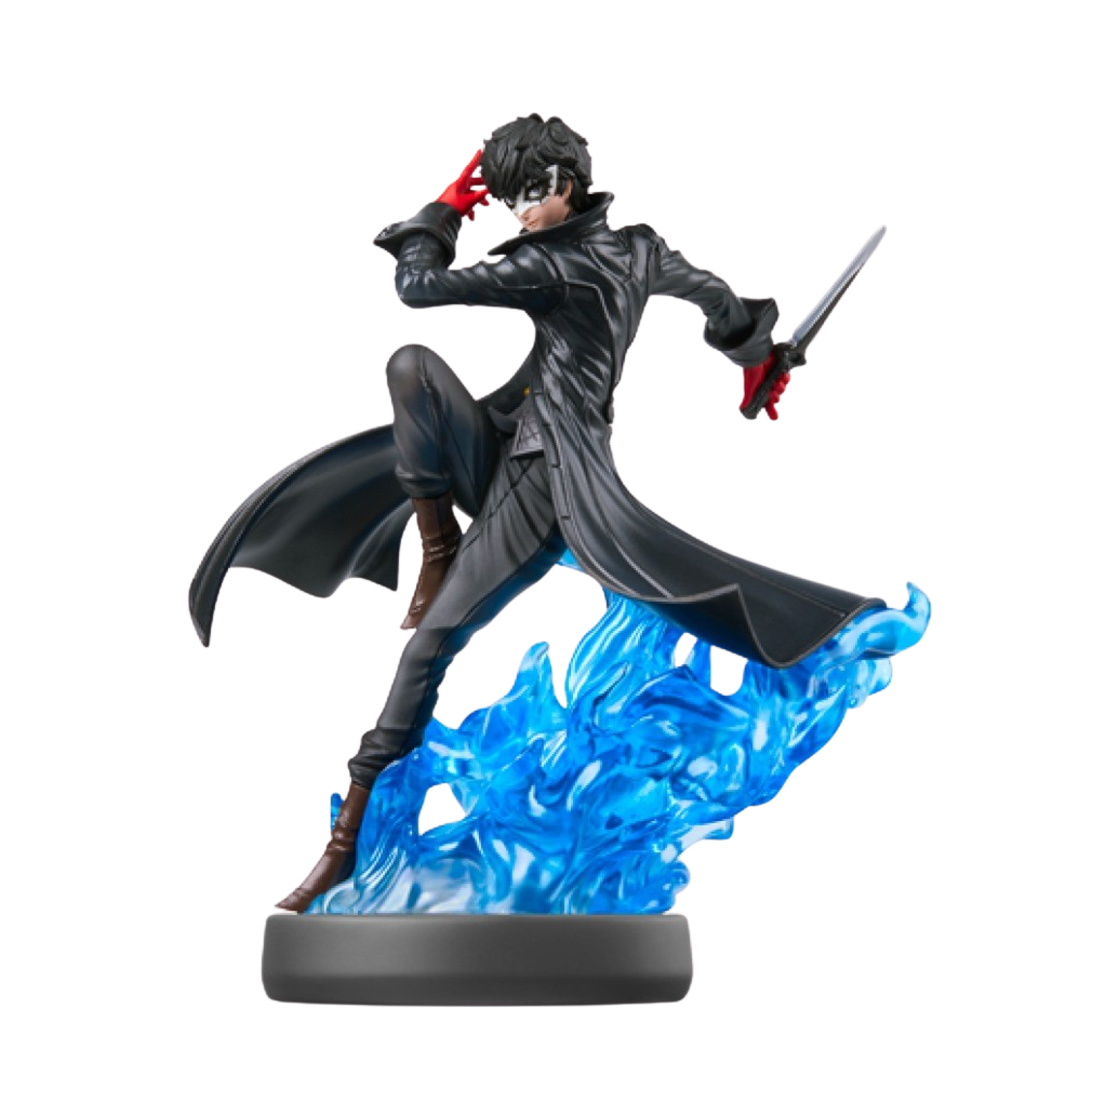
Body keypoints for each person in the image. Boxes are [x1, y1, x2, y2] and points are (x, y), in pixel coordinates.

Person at [187, 113, 883, 913]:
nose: (516, 212)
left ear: (564, 185)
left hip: (548, 488)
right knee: (412, 369)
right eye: (506, 198)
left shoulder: (548, 265)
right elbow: (714, 296)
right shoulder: (638, 248)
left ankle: (343, 848)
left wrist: (447, 206)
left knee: (428, 649)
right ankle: (437, 547)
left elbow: (415, 287)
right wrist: (756, 358)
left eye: (526, 195)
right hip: (512, 450)